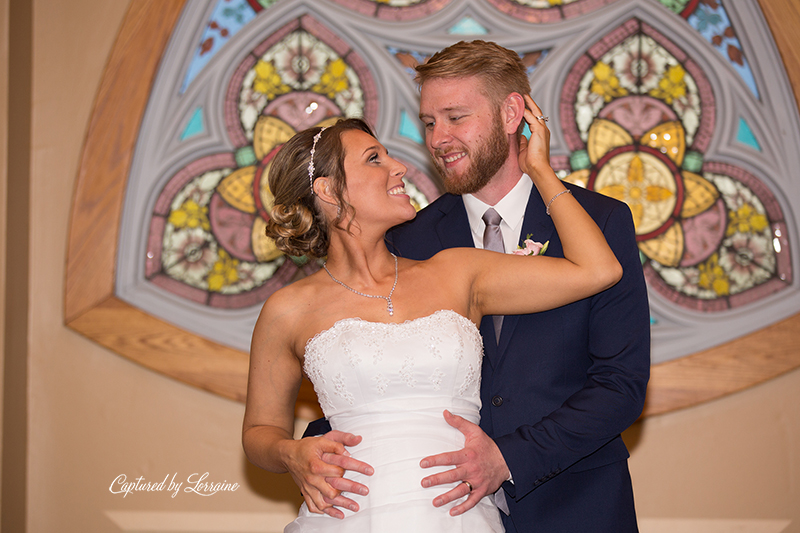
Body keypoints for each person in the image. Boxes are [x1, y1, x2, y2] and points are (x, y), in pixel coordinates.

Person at [298, 41, 651, 532]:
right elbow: (364, 371)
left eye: (456, 117)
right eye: (428, 122)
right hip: (436, 509)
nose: (438, 138)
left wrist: (509, 457)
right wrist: (309, 452)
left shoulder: (601, 223)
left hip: (576, 504)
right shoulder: (406, 239)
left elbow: (621, 385)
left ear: (511, 113)